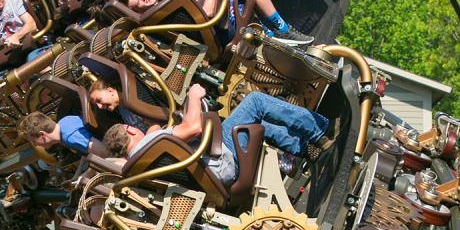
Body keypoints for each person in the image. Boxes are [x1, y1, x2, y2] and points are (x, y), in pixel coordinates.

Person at [103, 84, 339, 185]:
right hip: (222, 160)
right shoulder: (151, 144)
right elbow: (192, 127)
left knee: (254, 126)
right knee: (255, 102)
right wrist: (193, 96)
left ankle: (307, 151)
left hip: (214, 174)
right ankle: (320, 130)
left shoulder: (139, 164)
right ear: (131, 129)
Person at [121, 0, 314, 46]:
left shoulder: (161, 8)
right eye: (137, 4)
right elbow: (205, 16)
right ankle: (283, 31)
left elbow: (191, 11)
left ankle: (266, 31)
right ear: (138, 12)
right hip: (220, 34)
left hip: (215, 30)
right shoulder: (162, 12)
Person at [17, 111, 108, 157]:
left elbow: (104, 152)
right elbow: (87, 151)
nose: (35, 144)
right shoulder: (64, 122)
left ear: (42, 135)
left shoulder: (69, 136)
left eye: (33, 141)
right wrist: (79, 176)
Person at [88, 78, 152, 132]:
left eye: (99, 100)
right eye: (96, 104)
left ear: (110, 91)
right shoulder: (120, 111)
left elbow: (156, 124)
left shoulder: (137, 97)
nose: (99, 107)